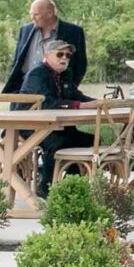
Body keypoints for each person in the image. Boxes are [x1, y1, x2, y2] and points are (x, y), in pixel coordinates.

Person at [28, 38, 92, 194]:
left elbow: (76, 96)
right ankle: (46, 188)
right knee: (58, 143)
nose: (64, 58)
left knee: (88, 141)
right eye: (60, 54)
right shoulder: (37, 74)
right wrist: (79, 105)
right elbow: (47, 103)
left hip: (58, 126)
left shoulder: (65, 74)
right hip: (31, 126)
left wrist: (99, 103)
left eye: (68, 55)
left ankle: (70, 185)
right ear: (47, 55)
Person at [0, 0, 88, 101]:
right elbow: (17, 61)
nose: (32, 18)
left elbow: (80, 65)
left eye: (36, 14)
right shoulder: (25, 30)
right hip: (24, 91)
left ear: (50, 13)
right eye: (31, 14)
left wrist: (66, 89)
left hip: (55, 93)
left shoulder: (73, 32)